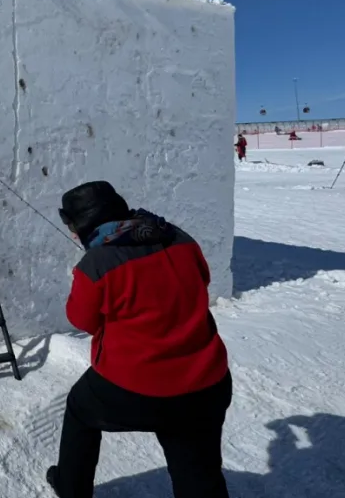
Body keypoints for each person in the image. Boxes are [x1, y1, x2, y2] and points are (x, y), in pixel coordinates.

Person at [48, 181, 232, 498]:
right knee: (196, 467)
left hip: (134, 387)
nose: (73, 235)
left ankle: (71, 487)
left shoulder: (95, 264)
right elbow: (203, 279)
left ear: (83, 224)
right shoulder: (178, 237)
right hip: (205, 382)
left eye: (72, 227)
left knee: (80, 409)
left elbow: (82, 320)